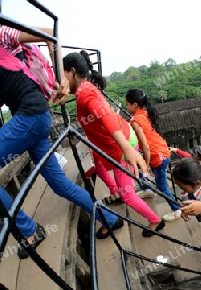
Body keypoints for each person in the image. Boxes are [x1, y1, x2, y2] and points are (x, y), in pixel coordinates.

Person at [0, 25, 123, 258]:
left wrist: (60, 77)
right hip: (35, 119)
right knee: (60, 185)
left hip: (30, 117)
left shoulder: (2, 33)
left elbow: (49, 33)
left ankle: (29, 230)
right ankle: (110, 217)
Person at [63, 51, 163, 238]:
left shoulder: (86, 95)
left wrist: (125, 147)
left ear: (72, 72)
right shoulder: (86, 89)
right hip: (118, 139)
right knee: (97, 160)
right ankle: (115, 191)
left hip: (121, 146)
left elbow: (106, 118)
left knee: (128, 196)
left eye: (63, 73)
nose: (60, 78)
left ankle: (156, 220)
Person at [125, 88, 181, 222]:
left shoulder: (136, 121)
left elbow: (145, 146)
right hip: (161, 151)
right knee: (138, 167)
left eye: (127, 104)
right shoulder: (145, 114)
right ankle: (147, 189)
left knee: (162, 187)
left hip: (158, 156)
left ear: (135, 105)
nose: (126, 107)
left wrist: (147, 164)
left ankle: (176, 209)